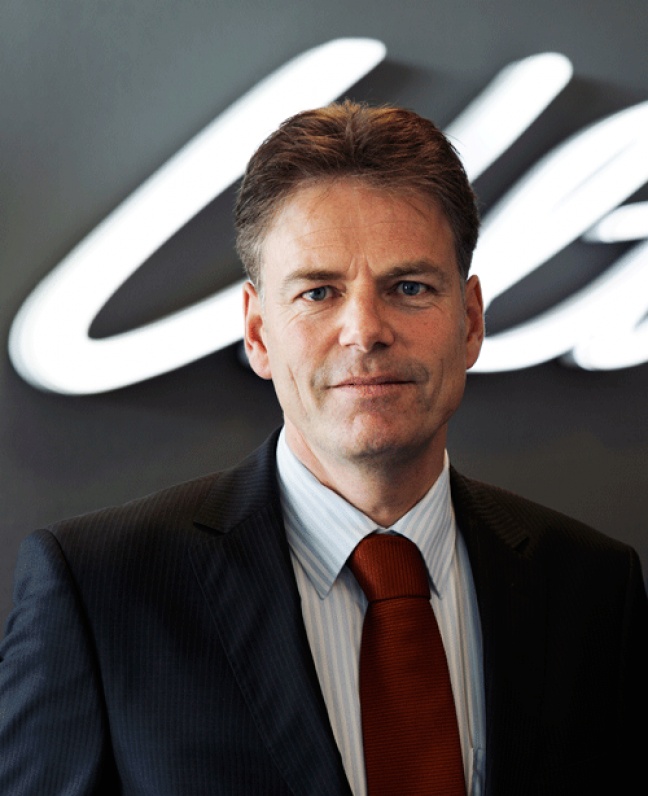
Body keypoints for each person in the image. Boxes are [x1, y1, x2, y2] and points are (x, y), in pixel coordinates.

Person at [1, 101, 646, 796]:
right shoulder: (98, 592)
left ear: (469, 322)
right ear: (258, 333)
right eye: (318, 292)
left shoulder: (592, 589)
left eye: (409, 287)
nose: (365, 330)